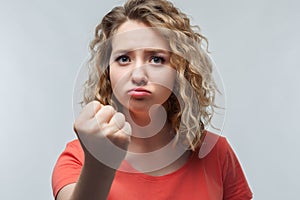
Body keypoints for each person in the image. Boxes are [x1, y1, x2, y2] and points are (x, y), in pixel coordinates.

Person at [52, 0, 253, 199]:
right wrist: (100, 162)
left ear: (179, 70)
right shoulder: (78, 157)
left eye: (156, 59)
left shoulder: (216, 153)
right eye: (124, 59)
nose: (138, 75)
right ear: (108, 71)